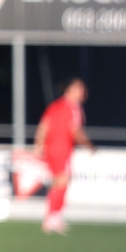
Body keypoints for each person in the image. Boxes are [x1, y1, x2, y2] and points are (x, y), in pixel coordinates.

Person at [32, 78, 94, 234]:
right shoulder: (72, 108)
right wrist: (88, 145)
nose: (83, 92)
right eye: (79, 88)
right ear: (70, 90)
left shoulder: (55, 105)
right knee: (62, 181)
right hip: (61, 150)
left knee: (59, 182)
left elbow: (43, 126)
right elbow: (75, 130)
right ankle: (52, 218)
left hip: (51, 149)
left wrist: (39, 145)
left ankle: (53, 217)